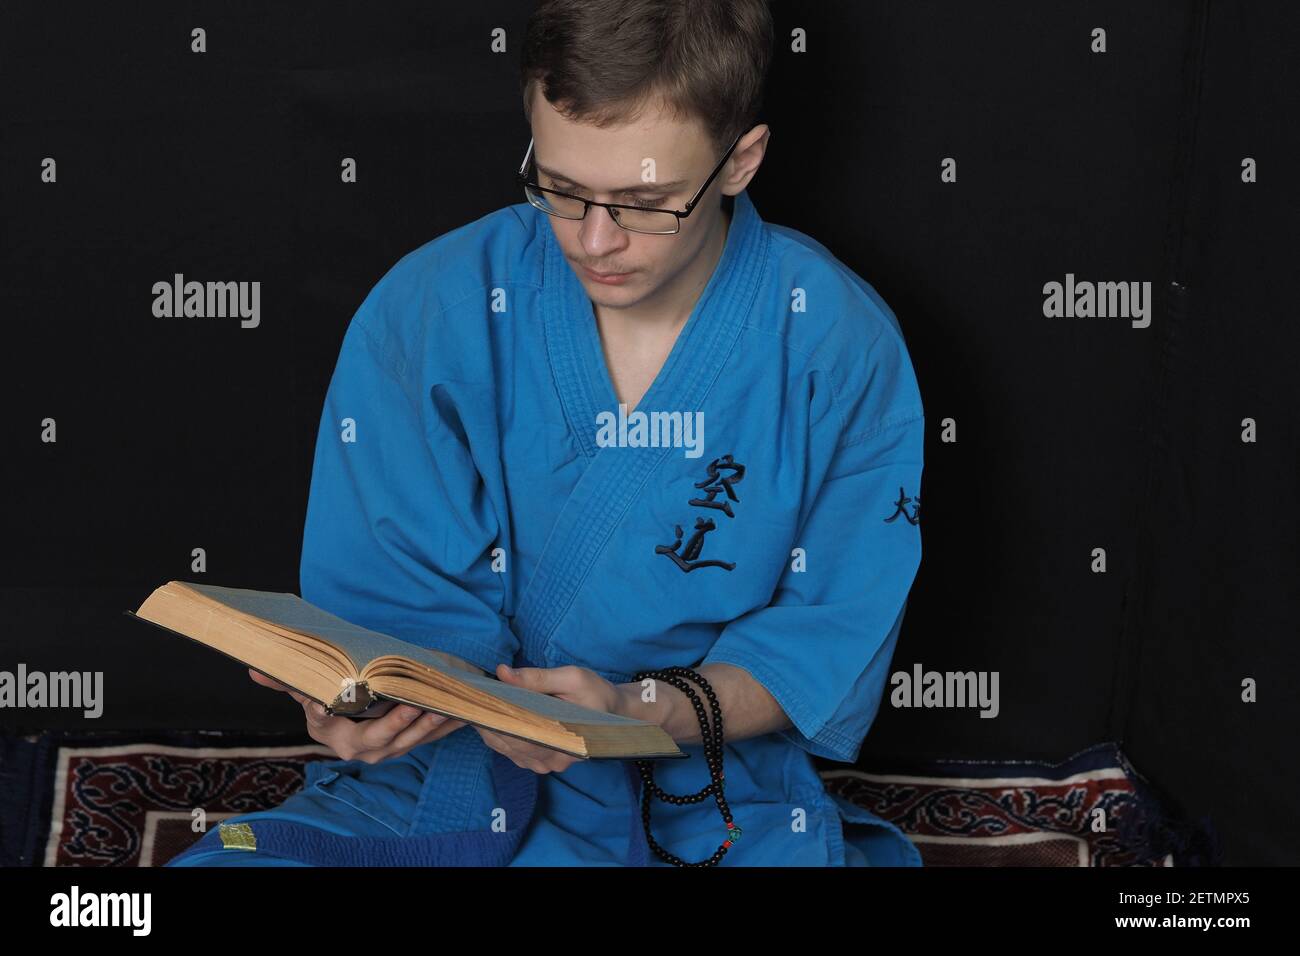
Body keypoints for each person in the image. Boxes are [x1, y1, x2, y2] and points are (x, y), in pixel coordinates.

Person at [168, 0, 924, 867]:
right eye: (562, 189)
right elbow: (390, 622)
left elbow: (820, 642)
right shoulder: (430, 311)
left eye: (645, 202)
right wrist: (361, 706)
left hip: (705, 787)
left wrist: (646, 710)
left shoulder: (835, 342)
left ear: (739, 161)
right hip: (446, 779)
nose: (594, 241)